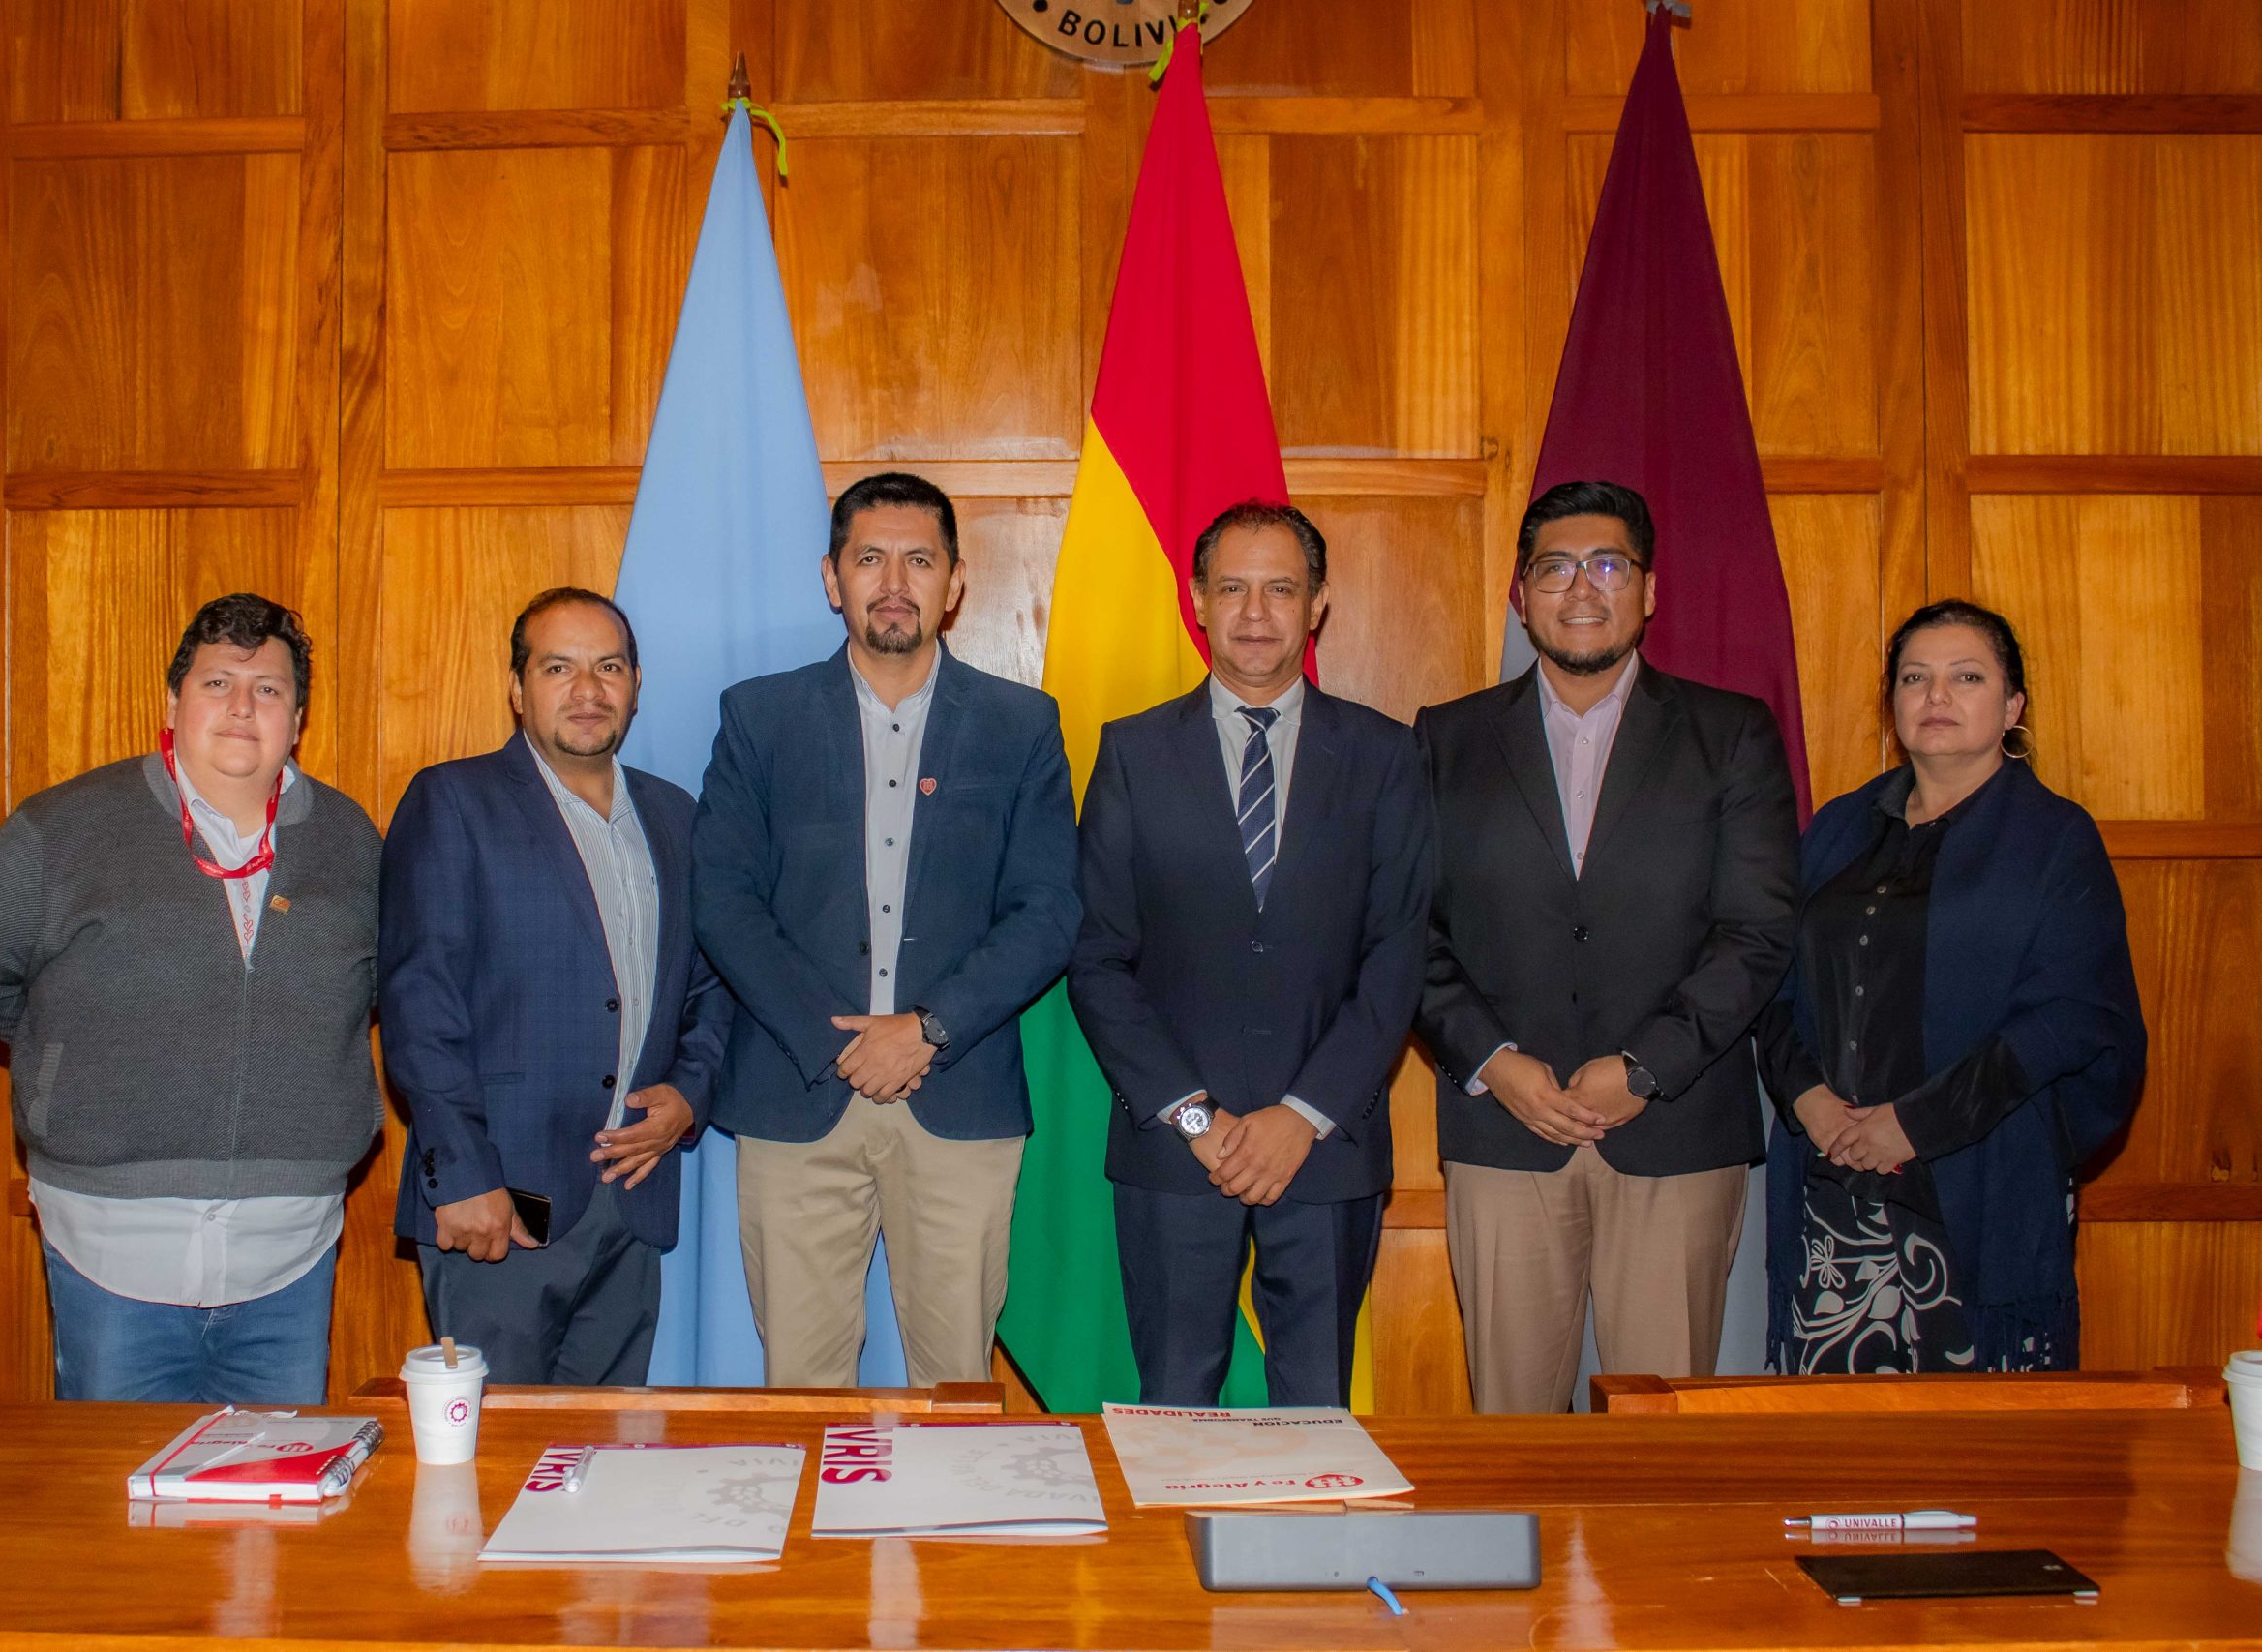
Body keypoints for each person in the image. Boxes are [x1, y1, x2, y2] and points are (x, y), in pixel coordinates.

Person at [0, 594, 381, 1404]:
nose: (242, 706)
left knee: (270, 1482)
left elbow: (379, 987)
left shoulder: (352, 841)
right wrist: (71, 1055)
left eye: (268, 689)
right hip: (110, 1241)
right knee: (119, 1482)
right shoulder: (61, 829)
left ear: (297, 720)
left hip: (290, 1251)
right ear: (173, 704)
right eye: (217, 683)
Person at [1415, 480, 1799, 1414]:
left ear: (1649, 589)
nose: (1582, 588)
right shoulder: (1447, 739)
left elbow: (1758, 929)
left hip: (1675, 1123)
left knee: (1661, 1436)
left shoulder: (1730, 734)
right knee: (1514, 1433)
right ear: (1520, 594)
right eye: (1555, 567)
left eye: (1608, 565)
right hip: (1505, 1130)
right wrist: (1495, 1062)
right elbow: (1407, 931)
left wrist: (1643, 1067)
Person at [692, 471, 1079, 1387]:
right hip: (798, 1093)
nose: (895, 582)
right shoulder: (759, 717)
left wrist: (926, 1029)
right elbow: (724, 899)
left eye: (919, 560)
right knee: (802, 1388)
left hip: (958, 1096)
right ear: (833, 578)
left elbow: (1049, 909)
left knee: (956, 1390)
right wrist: (839, 1043)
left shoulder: (1022, 725)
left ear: (956, 583)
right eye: (870, 559)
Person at [1071, 501, 1432, 1406]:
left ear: (1318, 604)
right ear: (1197, 601)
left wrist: (1302, 1115)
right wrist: (1197, 1120)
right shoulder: (1132, 752)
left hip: (1327, 1148)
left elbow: (1397, 956)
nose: (1256, 612)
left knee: (1317, 1412)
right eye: (1233, 588)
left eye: (1281, 588)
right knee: (1175, 1408)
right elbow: (1098, 958)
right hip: (1175, 1152)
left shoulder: (1386, 755)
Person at [1758, 600, 2143, 1373]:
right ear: (1893, 703)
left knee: (1977, 1436)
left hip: (1980, 1186)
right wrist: (1806, 1097)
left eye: (1966, 677)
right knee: (1842, 1437)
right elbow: (1772, 983)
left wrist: (1915, 1123)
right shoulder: (1838, 828)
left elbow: (2068, 1019)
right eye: (1914, 678)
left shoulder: (2056, 839)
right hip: (1835, 1190)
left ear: (2012, 706)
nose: (1936, 696)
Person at [381, 589, 731, 1385]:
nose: (588, 689)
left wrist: (689, 1093)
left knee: (604, 1449)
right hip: (499, 1205)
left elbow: (710, 982)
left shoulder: (676, 816)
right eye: (558, 668)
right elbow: (418, 1005)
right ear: (517, 688)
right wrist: (462, 1173)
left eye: (608, 667)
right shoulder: (453, 800)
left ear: (636, 686)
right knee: (494, 1447)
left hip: (633, 1203)